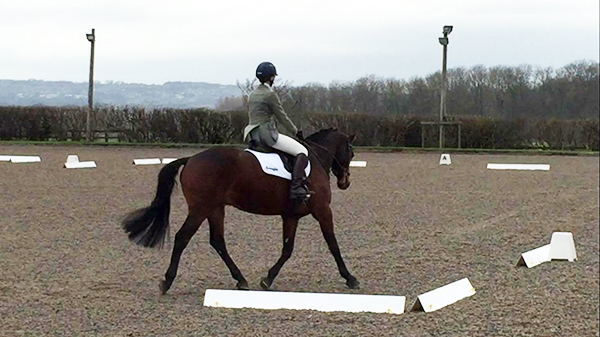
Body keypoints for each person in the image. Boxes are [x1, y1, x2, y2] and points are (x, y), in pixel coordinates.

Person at [243, 61, 314, 203]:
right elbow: (282, 116)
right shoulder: (270, 95)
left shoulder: (252, 94)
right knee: (302, 152)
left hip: (252, 134)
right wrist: (295, 131)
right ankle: (296, 188)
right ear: (271, 78)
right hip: (266, 135)